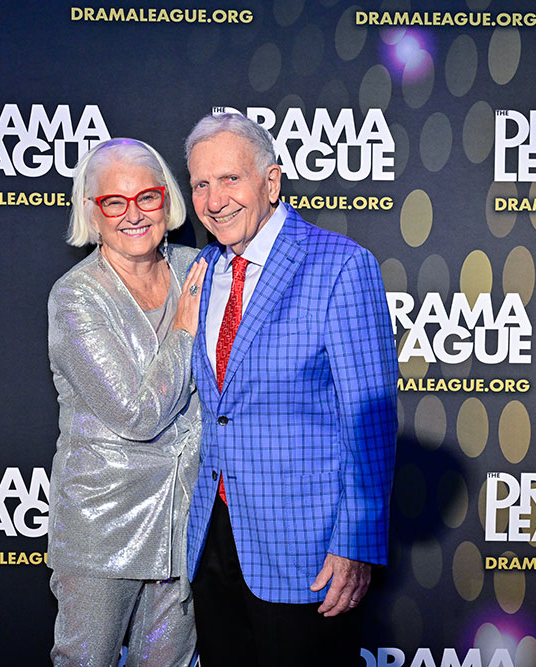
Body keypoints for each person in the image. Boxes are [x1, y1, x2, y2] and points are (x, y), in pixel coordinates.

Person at [183, 113, 398, 666]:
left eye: (230, 179)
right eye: (201, 184)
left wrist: (355, 543)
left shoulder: (340, 266)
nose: (214, 200)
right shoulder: (203, 270)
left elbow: (369, 419)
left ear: (271, 182)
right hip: (213, 538)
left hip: (306, 548)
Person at [46, 137, 207, 667]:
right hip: (104, 523)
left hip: (184, 522)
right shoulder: (76, 296)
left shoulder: (199, 270)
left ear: (168, 201)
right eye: (114, 201)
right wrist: (184, 330)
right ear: (92, 213)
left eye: (148, 197)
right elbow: (136, 414)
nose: (133, 214)